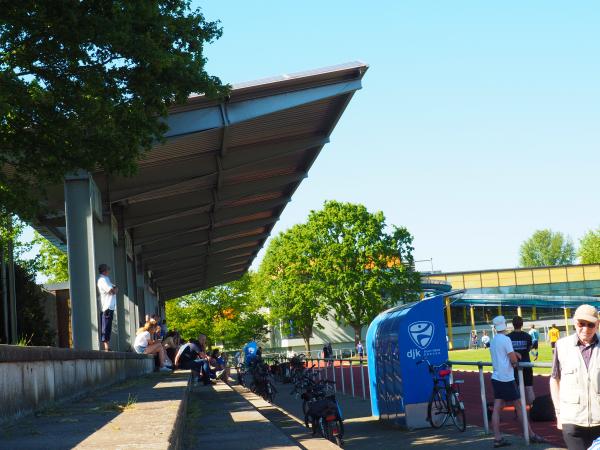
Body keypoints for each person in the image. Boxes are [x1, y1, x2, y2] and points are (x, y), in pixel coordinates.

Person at [550, 304, 600, 450]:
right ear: (574, 322)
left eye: (590, 325)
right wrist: (559, 413)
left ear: (597, 324)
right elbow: (555, 379)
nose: (585, 329)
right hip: (572, 421)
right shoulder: (561, 346)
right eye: (581, 324)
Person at [489, 316, 544, 447]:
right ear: (505, 325)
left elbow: (507, 355)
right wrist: (516, 357)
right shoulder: (506, 339)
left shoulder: (493, 340)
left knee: (497, 408)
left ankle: (497, 438)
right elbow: (513, 360)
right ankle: (530, 434)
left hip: (496, 377)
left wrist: (515, 355)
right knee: (519, 406)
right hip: (507, 378)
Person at [507, 316, 535, 405]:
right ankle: (533, 409)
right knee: (529, 388)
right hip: (526, 364)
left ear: (512, 324)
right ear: (522, 324)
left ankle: (518, 411)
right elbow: (529, 348)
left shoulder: (508, 337)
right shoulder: (527, 336)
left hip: (514, 365)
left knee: (516, 388)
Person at [97, 264, 118, 351]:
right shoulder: (102, 280)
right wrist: (116, 289)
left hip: (110, 306)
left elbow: (114, 288)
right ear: (105, 271)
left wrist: (115, 289)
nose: (108, 271)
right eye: (107, 270)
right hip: (106, 306)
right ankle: (106, 347)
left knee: (108, 326)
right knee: (105, 326)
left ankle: (107, 346)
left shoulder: (106, 279)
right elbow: (112, 291)